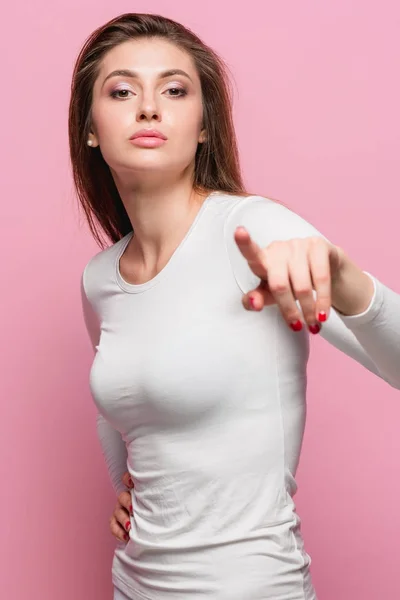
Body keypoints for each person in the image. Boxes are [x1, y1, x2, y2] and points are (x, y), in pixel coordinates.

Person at [70, 12, 400, 600]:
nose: (149, 108)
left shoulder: (250, 229)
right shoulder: (100, 278)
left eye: (175, 90)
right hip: (132, 585)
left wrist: (348, 281)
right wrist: (124, 481)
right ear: (91, 128)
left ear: (203, 127)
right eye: (122, 91)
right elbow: (118, 400)